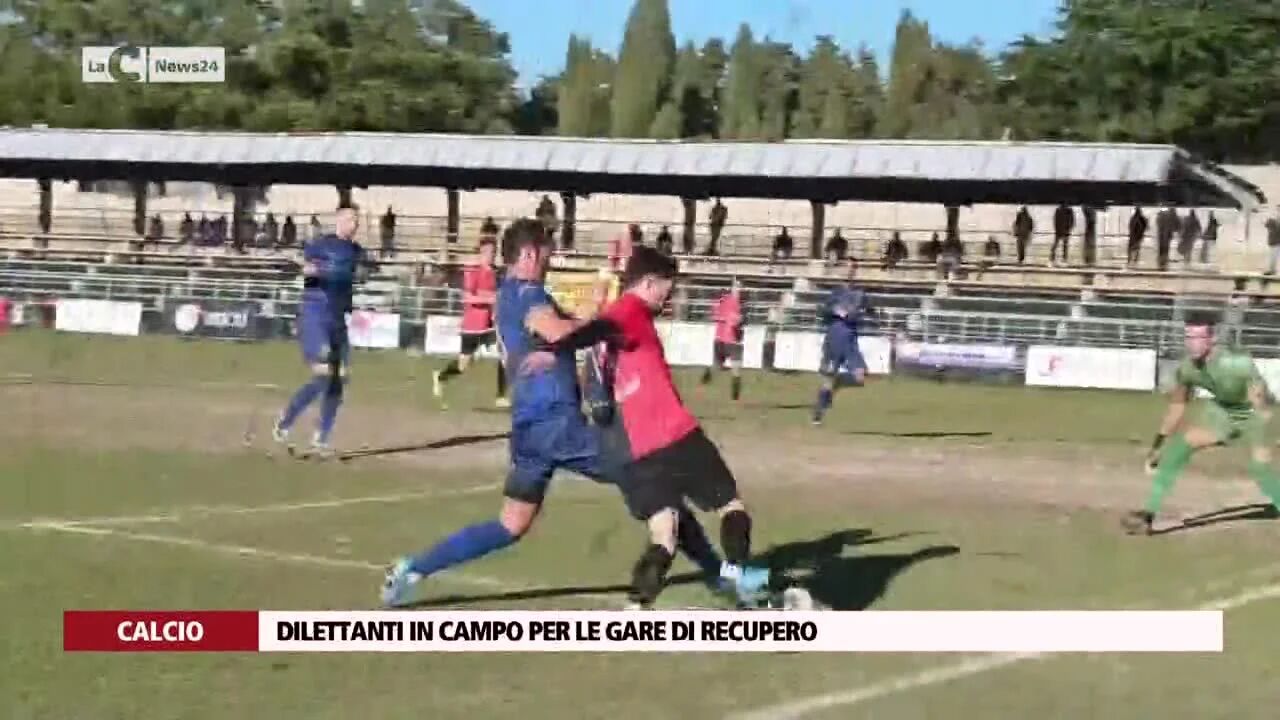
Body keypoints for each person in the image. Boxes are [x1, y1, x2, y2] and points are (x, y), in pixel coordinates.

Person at [380, 220, 723, 607]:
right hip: (556, 423)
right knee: (655, 473)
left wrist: (599, 312)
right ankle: (723, 574)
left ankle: (412, 568)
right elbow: (562, 332)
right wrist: (614, 325)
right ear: (528, 255)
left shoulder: (512, 293)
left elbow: (573, 325)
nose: (551, 259)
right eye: (547, 253)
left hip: (528, 430)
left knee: (511, 524)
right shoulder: (528, 294)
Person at [539, 246, 770, 608]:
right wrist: (564, 338)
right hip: (675, 435)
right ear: (648, 283)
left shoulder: (610, 330)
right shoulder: (629, 311)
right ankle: (742, 581)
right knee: (730, 505)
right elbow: (602, 327)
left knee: (664, 535)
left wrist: (561, 342)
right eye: (667, 287)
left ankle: (634, 610)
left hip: (637, 450)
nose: (669, 296)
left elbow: (598, 366)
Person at [1123, 312, 1280, 535]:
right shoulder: (1187, 368)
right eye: (1188, 337)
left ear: (1211, 339)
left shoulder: (1234, 361)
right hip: (1223, 411)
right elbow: (1177, 407)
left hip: (1252, 411)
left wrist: (1260, 429)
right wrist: (1158, 446)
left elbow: (1259, 396)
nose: (1192, 343)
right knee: (1179, 447)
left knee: (1260, 468)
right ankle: (1148, 515)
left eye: (1198, 337)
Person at [273, 206, 367, 456]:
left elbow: (358, 274)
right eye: (350, 219)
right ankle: (286, 421)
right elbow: (303, 268)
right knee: (325, 374)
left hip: (338, 319)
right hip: (316, 315)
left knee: (340, 379)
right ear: (338, 220)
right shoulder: (321, 245)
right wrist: (309, 271)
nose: (354, 224)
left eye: (357, 220)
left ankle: (321, 440)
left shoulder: (357, 251)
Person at [433, 237, 508, 408]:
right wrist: (489, 300)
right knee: (462, 365)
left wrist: (497, 310)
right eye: (487, 252)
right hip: (472, 326)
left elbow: (497, 297)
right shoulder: (472, 271)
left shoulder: (495, 274)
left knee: (505, 355)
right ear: (480, 253)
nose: (491, 255)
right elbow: (467, 297)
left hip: (489, 325)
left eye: (493, 252)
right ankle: (440, 376)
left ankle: (501, 396)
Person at [811, 262, 872, 426]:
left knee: (861, 377)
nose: (850, 271)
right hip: (834, 338)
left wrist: (865, 315)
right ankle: (818, 414)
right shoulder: (835, 292)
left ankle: (837, 385)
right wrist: (836, 312)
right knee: (827, 379)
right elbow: (823, 311)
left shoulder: (861, 294)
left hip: (850, 339)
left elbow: (869, 312)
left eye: (853, 268)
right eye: (847, 267)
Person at [700, 280, 744, 401]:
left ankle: (735, 396)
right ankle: (707, 375)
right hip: (722, 338)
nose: (739, 290)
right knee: (718, 366)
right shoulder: (724, 301)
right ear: (732, 288)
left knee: (736, 367)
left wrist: (739, 322)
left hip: (734, 340)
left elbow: (740, 320)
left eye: (741, 288)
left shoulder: (741, 303)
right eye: (737, 287)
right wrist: (727, 319)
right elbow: (714, 315)